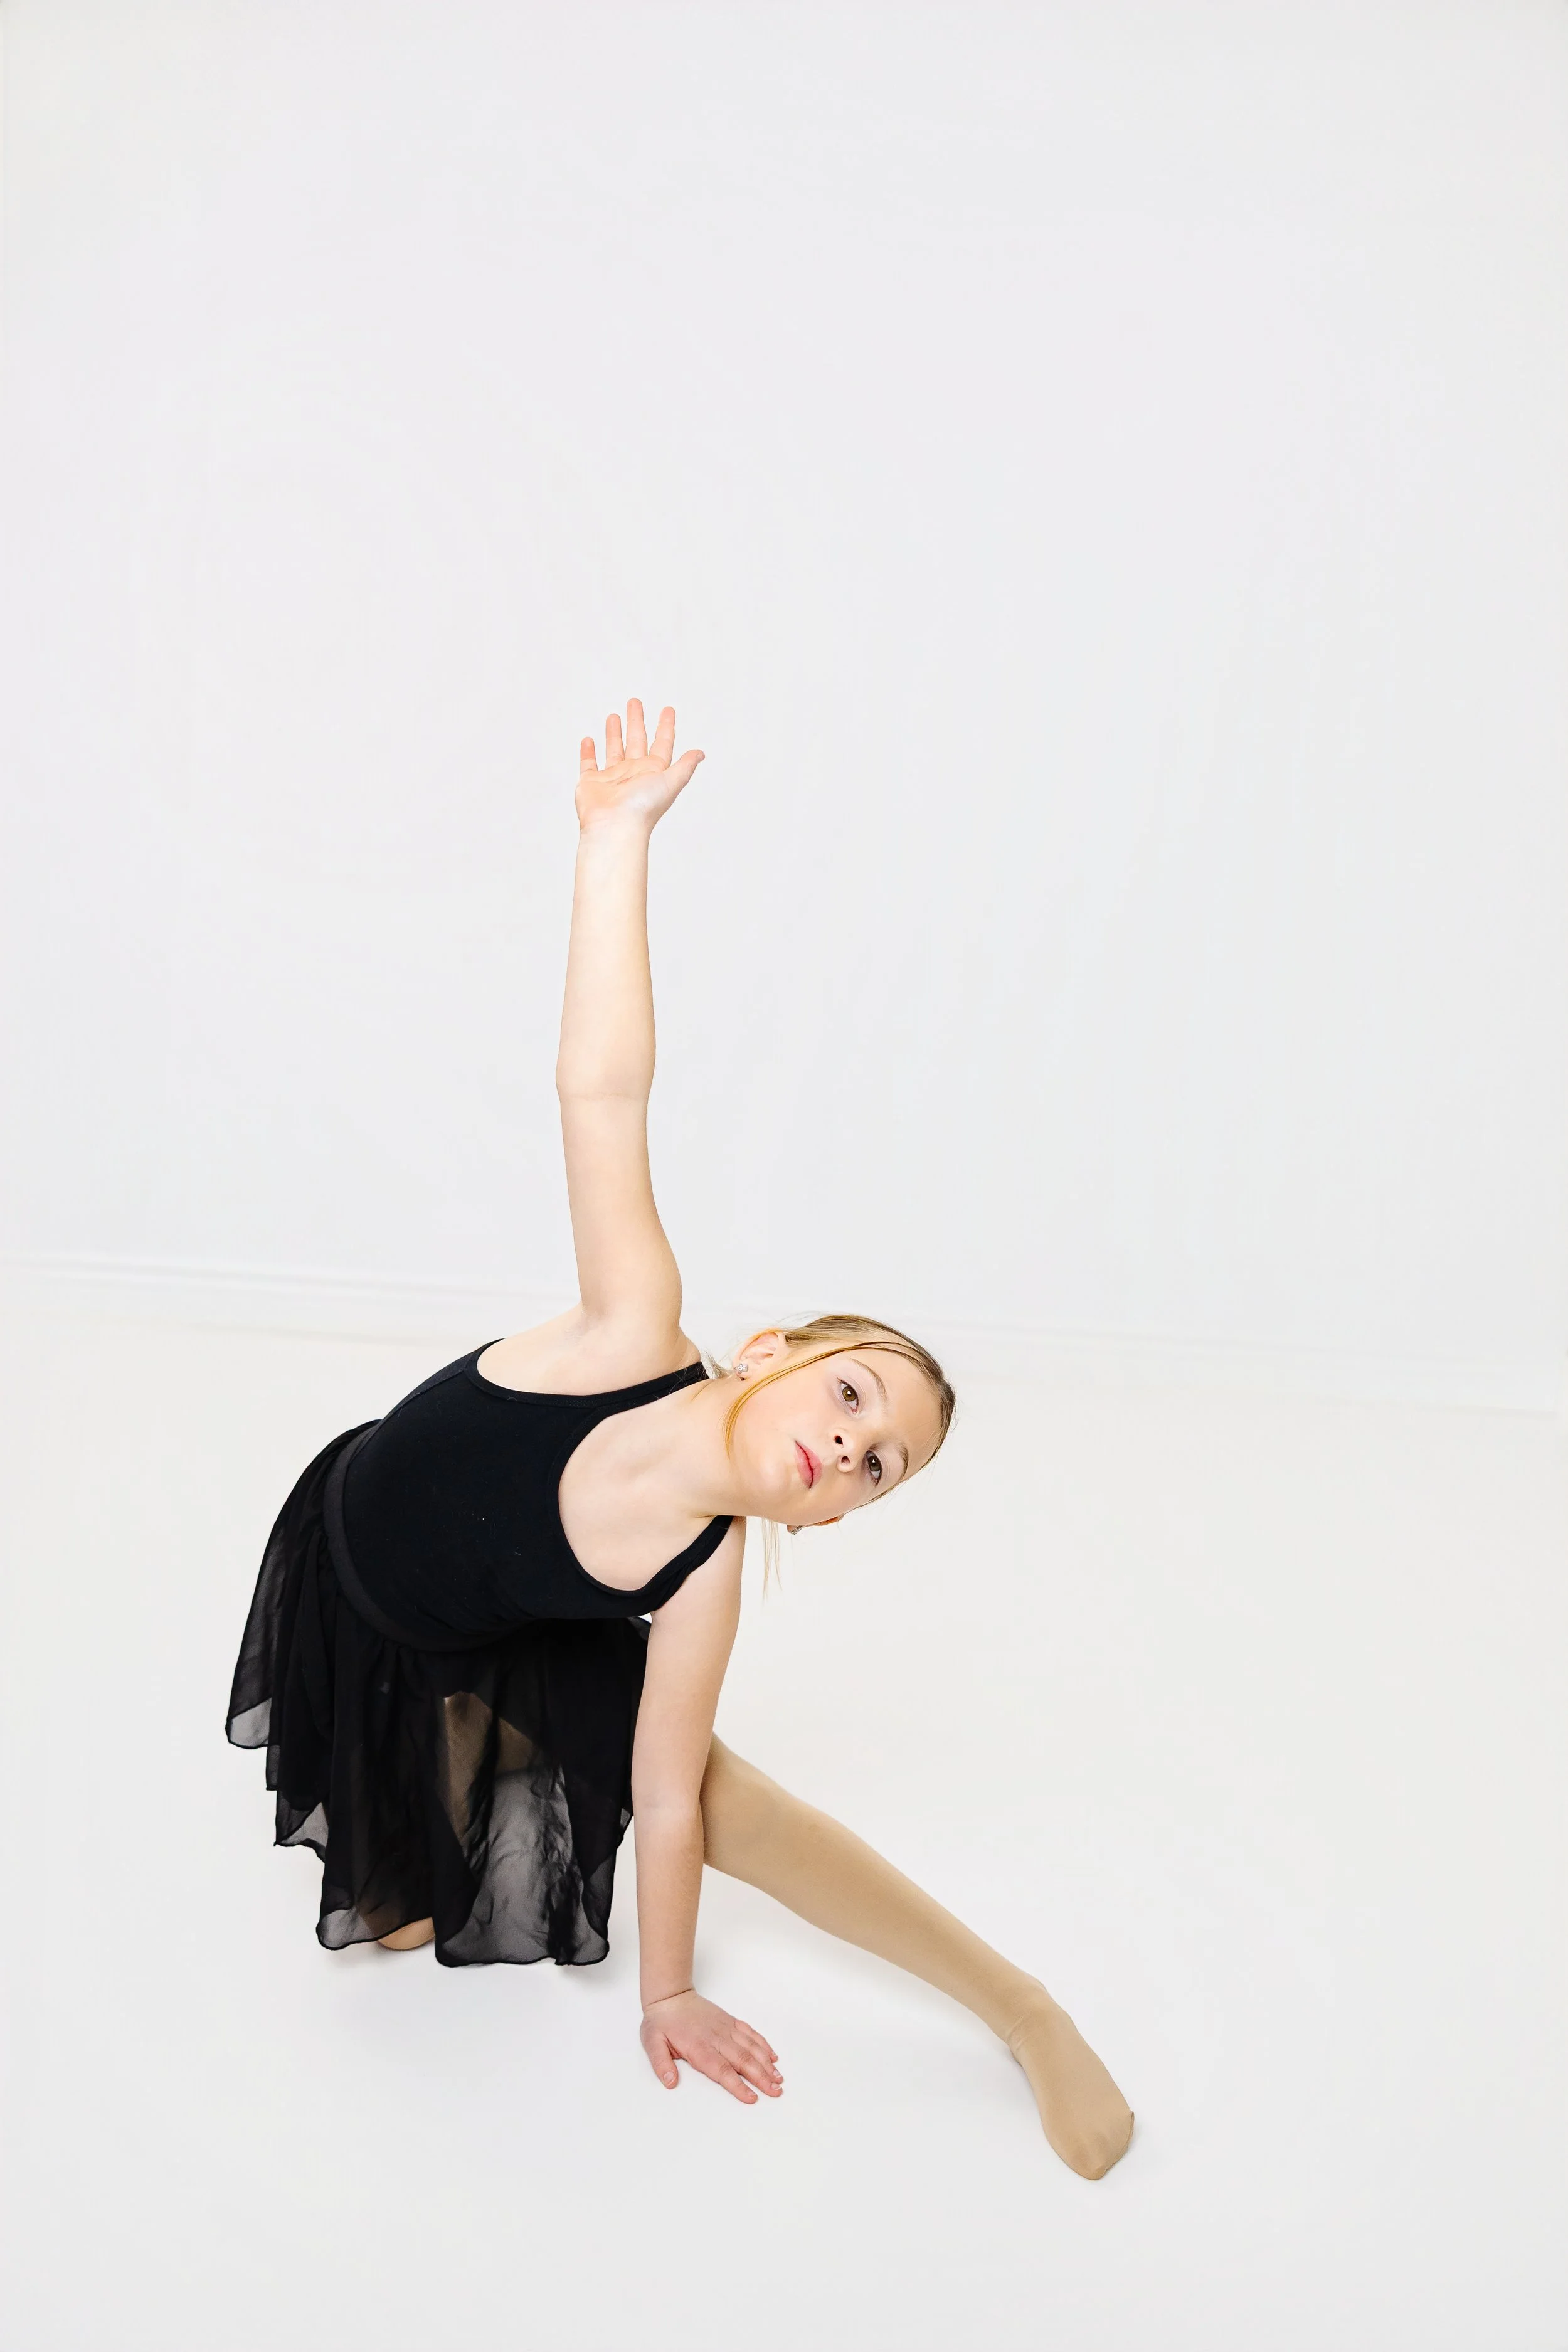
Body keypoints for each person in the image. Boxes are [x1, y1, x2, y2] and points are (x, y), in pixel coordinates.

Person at [226, 698, 1135, 2181]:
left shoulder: (704, 1578)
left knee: (715, 1793)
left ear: (830, 1521)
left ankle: (1019, 2007)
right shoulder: (631, 1330)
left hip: (504, 1623)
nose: (848, 1448)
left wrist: (667, 1993)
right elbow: (601, 1087)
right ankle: (462, 1750)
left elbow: (660, 1804)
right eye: (852, 1397)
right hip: (359, 1578)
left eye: (878, 1468)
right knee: (390, 1932)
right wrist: (614, 845)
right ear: (771, 1352)